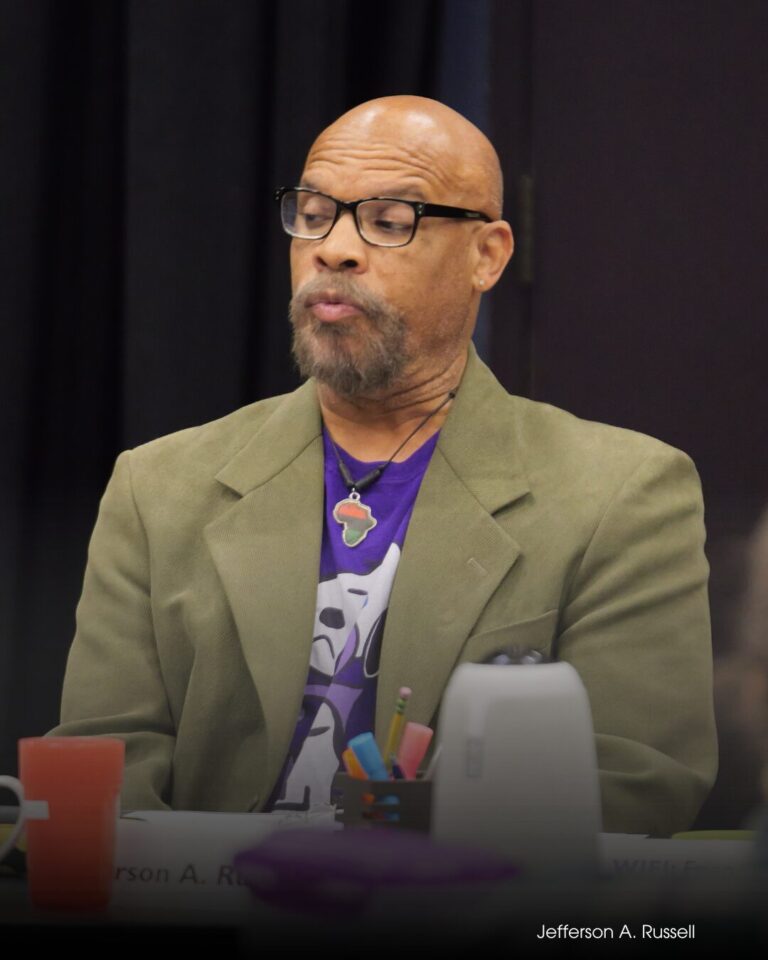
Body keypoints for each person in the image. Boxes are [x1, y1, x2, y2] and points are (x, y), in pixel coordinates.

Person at [49, 95, 717, 835]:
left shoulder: (621, 493)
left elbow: (632, 782)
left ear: (487, 255)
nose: (334, 248)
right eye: (313, 214)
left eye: (390, 221)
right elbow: (101, 769)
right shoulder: (158, 486)